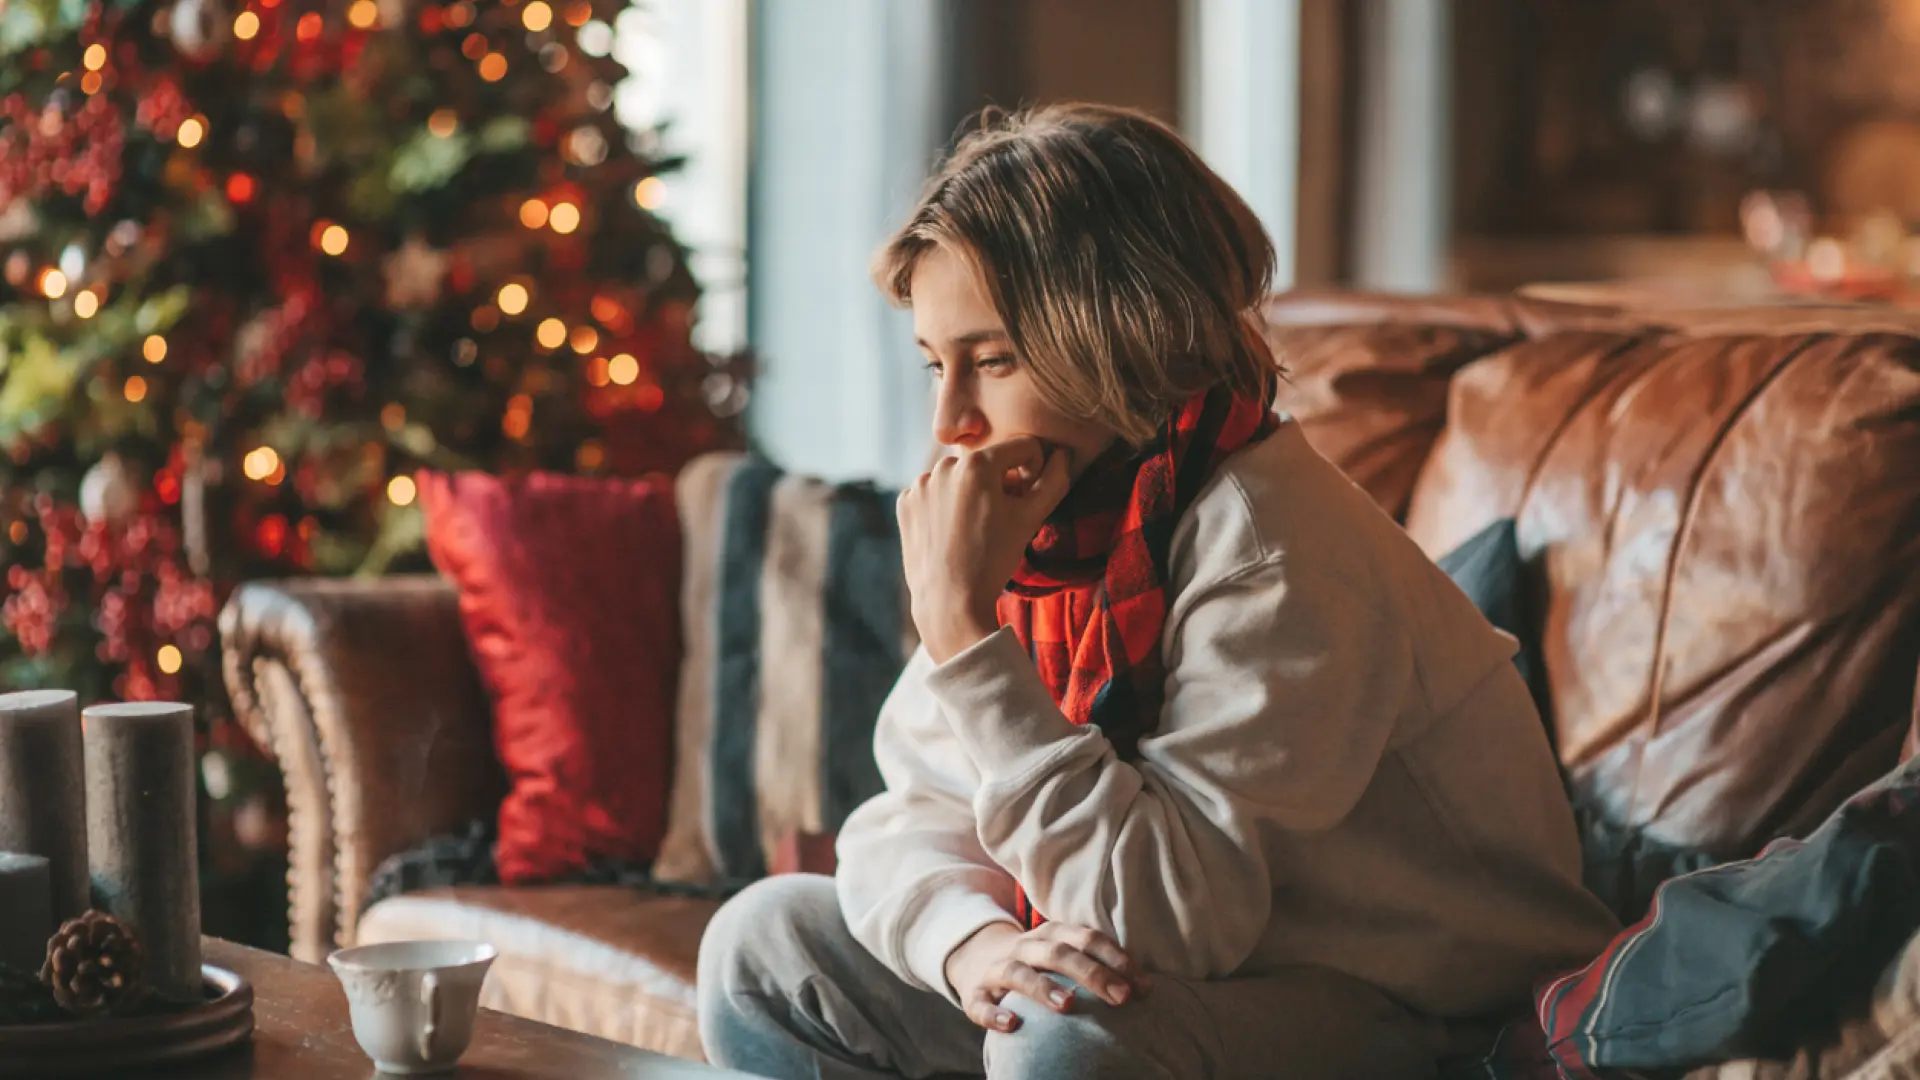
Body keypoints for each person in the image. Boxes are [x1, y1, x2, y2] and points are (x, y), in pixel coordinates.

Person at [697, 103, 1618, 1080]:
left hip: (1421, 1011)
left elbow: (1168, 922)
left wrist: (966, 638)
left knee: (1065, 1038)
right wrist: (974, 947)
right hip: (1208, 980)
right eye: (936, 365)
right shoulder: (1055, 534)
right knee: (762, 948)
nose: (952, 422)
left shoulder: (1273, 552)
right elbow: (911, 817)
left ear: (1118, 334)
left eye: (993, 360)